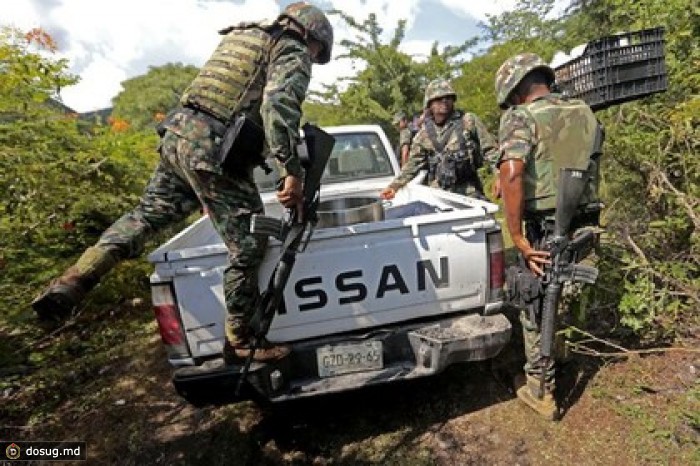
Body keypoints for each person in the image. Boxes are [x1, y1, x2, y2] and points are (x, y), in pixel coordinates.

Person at [31, 2, 334, 365]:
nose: (312, 60)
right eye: (317, 54)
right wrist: (291, 172)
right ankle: (241, 339)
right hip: (212, 149)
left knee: (145, 216)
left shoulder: (244, 36)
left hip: (177, 137)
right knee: (249, 240)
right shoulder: (291, 46)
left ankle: (76, 278)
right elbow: (279, 105)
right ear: (311, 35)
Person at [494, 53, 603, 419]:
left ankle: (541, 388)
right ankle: (563, 353)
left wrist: (517, 236)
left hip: (546, 226)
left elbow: (512, 171)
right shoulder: (584, 111)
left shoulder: (520, 117)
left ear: (514, 89)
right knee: (570, 293)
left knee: (535, 300)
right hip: (586, 221)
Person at [380, 79, 498, 200]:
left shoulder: (468, 121)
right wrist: (394, 186)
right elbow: (412, 165)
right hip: (439, 194)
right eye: (438, 98)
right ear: (429, 103)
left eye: (448, 97)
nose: (444, 101)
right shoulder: (424, 134)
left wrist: (499, 176)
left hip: (469, 192)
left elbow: (491, 150)